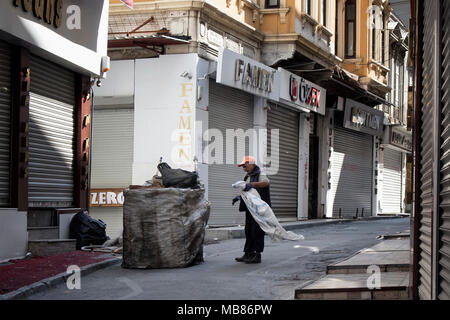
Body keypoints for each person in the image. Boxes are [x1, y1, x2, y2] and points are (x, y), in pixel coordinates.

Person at [232, 156, 271, 264]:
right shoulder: (247, 176)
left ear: (252, 164)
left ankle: (257, 255)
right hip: (250, 208)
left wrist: (252, 184)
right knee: (248, 230)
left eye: (245, 166)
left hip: (259, 208)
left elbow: (266, 183)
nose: (244, 168)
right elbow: (248, 192)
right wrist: (239, 197)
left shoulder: (260, 174)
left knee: (257, 231)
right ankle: (248, 253)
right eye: (242, 167)